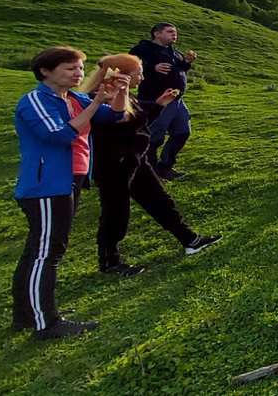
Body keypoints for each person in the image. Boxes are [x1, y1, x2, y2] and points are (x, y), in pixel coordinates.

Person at [12, 46, 127, 340]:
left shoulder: (74, 98)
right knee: (47, 253)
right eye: (69, 69)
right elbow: (58, 135)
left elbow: (112, 117)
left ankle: (26, 314)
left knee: (37, 250)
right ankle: (46, 323)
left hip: (69, 180)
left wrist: (119, 93)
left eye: (79, 68)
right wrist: (96, 101)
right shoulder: (36, 100)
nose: (77, 74)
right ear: (45, 72)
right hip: (47, 184)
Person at [85, 54, 222, 277]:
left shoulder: (127, 95)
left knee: (160, 200)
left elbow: (137, 113)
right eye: (138, 72)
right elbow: (118, 119)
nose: (142, 76)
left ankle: (190, 240)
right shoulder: (101, 98)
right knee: (116, 212)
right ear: (123, 75)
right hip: (113, 165)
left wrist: (158, 104)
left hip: (136, 160)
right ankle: (109, 261)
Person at [129, 22, 197, 180]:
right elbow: (131, 67)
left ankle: (165, 166)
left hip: (177, 100)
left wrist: (186, 62)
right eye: (170, 32)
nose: (174, 35)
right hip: (154, 99)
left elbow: (180, 69)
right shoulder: (143, 50)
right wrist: (151, 68)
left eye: (175, 32)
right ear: (156, 34)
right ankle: (149, 171)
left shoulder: (174, 52)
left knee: (182, 132)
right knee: (154, 136)